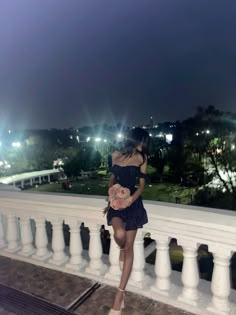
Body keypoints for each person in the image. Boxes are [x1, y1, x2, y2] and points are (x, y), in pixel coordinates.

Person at [107, 127, 150, 315]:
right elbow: (112, 179)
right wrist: (113, 194)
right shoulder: (115, 155)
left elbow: (141, 185)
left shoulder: (142, 158)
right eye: (142, 141)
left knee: (129, 248)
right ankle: (122, 250)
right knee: (119, 234)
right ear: (135, 140)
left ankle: (119, 296)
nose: (143, 146)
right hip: (117, 203)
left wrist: (131, 199)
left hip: (133, 204)